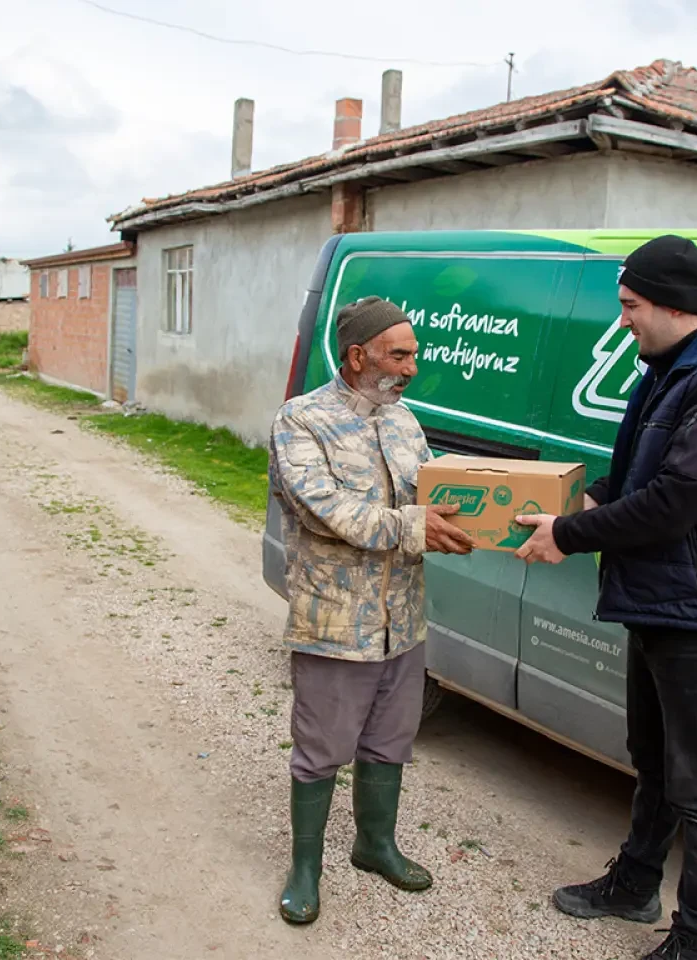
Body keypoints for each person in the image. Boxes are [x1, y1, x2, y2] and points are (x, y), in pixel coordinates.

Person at [514, 236, 697, 960]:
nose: (624, 320)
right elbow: (635, 471)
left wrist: (569, 535)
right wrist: (572, 503)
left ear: (674, 304)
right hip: (666, 601)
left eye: (631, 306)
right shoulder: (669, 370)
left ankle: (696, 941)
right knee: (656, 759)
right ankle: (635, 886)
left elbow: (675, 504)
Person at [267, 295, 473, 925]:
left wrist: (488, 513)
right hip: (336, 621)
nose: (412, 366)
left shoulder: (405, 421)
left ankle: (374, 844)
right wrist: (416, 527)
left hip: (402, 621)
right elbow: (322, 509)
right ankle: (306, 868)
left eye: (414, 354)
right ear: (359, 356)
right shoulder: (301, 421)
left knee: (390, 740)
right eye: (399, 354)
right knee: (322, 746)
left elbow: (436, 489)